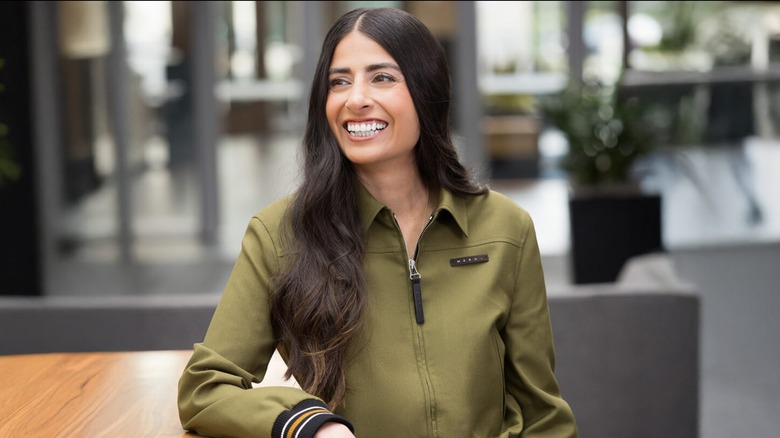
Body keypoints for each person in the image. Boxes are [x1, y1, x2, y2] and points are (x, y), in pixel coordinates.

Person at [178, 7, 578, 438]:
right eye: (339, 81)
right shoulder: (279, 235)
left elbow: (543, 415)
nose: (355, 99)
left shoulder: (505, 228)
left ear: (427, 91)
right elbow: (205, 388)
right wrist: (310, 424)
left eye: (382, 77)